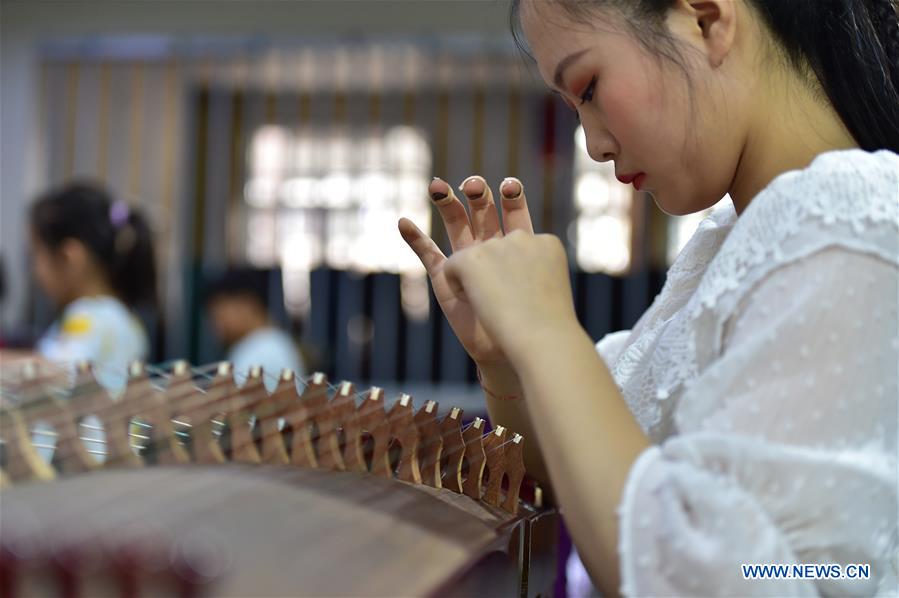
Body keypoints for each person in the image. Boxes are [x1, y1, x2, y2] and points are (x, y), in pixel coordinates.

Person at [398, 0, 898, 596]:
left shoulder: (847, 216)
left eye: (588, 86)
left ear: (706, 20)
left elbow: (747, 580)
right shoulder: (731, 242)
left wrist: (547, 332)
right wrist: (505, 358)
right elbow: (579, 474)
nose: (593, 145)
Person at [30, 182, 157, 390]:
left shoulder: (89, 319)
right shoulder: (120, 318)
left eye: (36, 254)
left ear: (69, 257)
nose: (36, 271)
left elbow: (46, 378)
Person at [205, 268, 305, 390]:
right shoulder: (275, 342)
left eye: (218, 313)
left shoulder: (260, 351)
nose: (216, 324)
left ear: (245, 304)